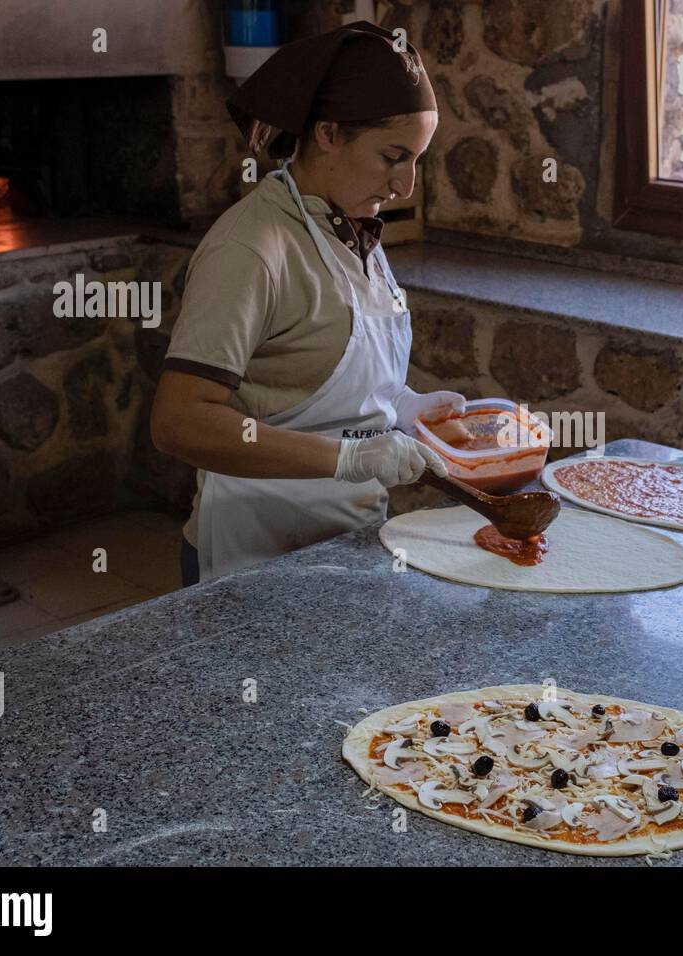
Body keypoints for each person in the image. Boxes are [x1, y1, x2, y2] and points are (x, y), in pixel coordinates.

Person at [151, 22, 460, 586]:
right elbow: (178, 422)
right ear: (327, 132)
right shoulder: (250, 247)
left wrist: (407, 410)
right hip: (253, 559)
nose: (406, 186)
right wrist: (346, 459)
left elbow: (319, 380)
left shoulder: (352, 225)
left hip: (348, 545)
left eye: (417, 159)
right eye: (393, 156)